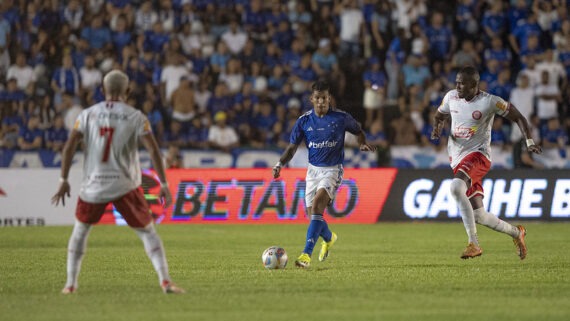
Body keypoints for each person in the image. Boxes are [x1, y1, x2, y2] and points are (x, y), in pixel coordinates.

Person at [51, 70, 184, 294]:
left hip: (94, 185)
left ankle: (70, 285)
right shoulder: (136, 116)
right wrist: (163, 184)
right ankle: (165, 282)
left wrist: (63, 179)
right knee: (148, 233)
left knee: (80, 231)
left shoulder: (86, 115)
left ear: (102, 90)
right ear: (128, 91)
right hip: (125, 185)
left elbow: (69, 148)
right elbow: (152, 150)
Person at [431, 66, 542, 260]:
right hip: (457, 158)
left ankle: (473, 243)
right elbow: (439, 115)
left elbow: (518, 117)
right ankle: (517, 233)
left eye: (462, 83)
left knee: (456, 187)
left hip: (478, 155)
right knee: (479, 215)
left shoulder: (490, 101)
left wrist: (529, 141)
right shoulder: (451, 97)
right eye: (456, 82)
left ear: (474, 85)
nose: (458, 86)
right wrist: (437, 128)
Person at [272, 81, 375, 268]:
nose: (321, 102)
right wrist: (280, 164)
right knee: (313, 215)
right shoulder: (303, 121)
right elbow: (292, 148)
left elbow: (358, 131)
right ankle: (329, 238)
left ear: (329, 99)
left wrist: (362, 142)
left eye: (324, 98)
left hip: (332, 170)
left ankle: (305, 255)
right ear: (312, 99)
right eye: (317, 98)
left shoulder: (340, 118)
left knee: (318, 206)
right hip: (312, 171)